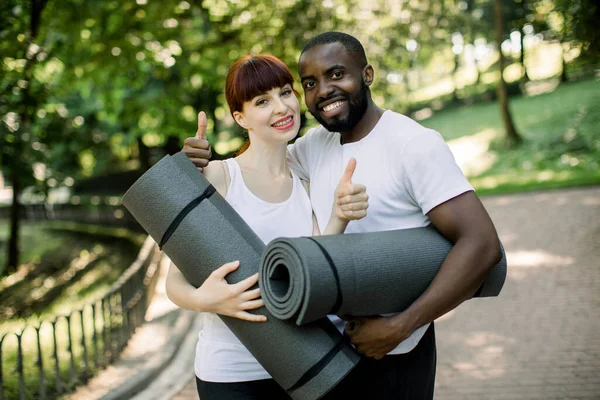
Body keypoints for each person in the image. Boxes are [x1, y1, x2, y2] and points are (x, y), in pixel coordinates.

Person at [181, 32, 503, 399]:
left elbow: (482, 243)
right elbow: (257, 158)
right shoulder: (311, 147)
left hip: (396, 348)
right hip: (327, 354)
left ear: (367, 74)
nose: (324, 91)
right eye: (309, 83)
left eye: (337, 75)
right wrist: (193, 163)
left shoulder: (413, 144)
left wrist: (399, 327)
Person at [165, 54, 369, 400]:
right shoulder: (218, 177)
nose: (281, 108)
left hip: (312, 361)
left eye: (286, 93)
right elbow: (174, 283)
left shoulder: (306, 178)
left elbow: (314, 269)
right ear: (240, 117)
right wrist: (207, 299)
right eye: (262, 101)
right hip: (233, 373)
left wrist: (340, 216)